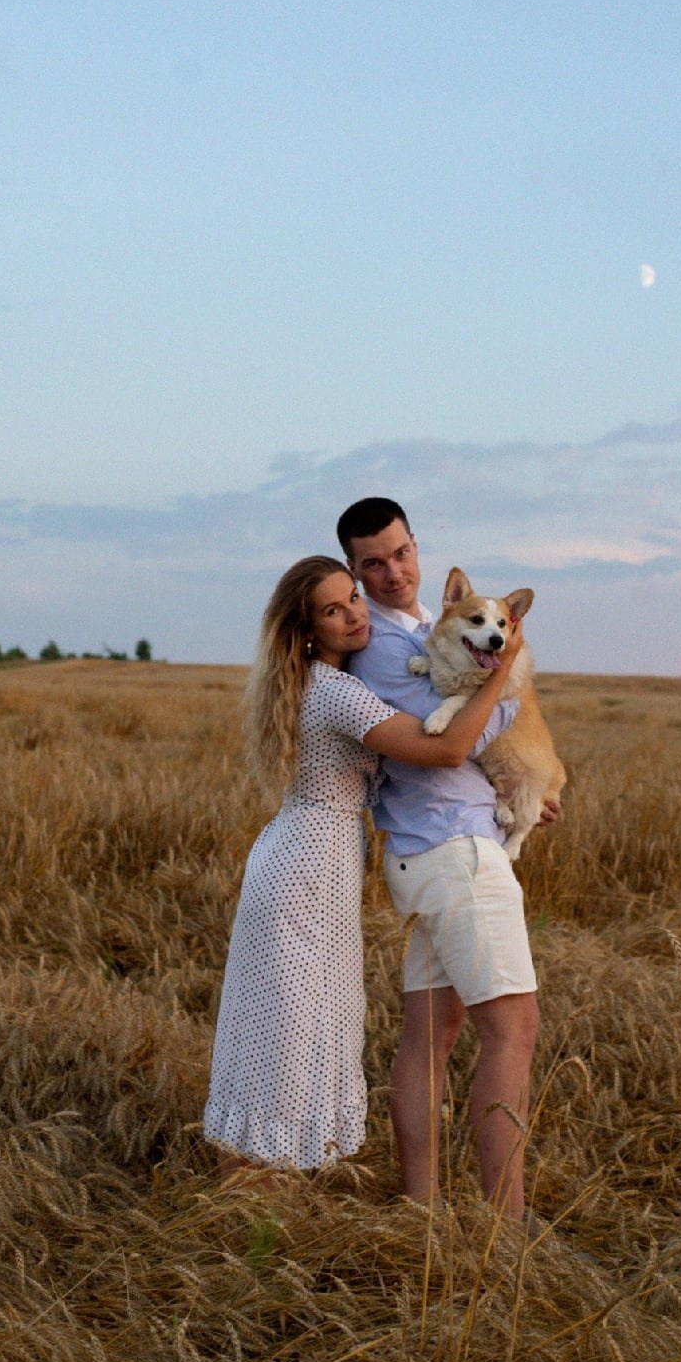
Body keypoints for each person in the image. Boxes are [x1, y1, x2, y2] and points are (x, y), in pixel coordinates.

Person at [203, 554, 525, 1177]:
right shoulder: (339, 695)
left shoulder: (317, 685)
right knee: (293, 1026)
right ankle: (257, 1180)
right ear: (307, 630)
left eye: (353, 598)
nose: (355, 614)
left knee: (283, 1019)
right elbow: (449, 746)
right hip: (308, 867)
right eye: (333, 609)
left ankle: (258, 1172)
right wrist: (502, 668)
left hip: (297, 855)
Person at [337, 498, 558, 1220]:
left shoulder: (423, 624)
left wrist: (525, 782)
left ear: (415, 547)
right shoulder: (379, 650)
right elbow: (451, 740)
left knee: (432, 1034)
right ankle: (509, 1225)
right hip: (453, 852)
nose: (392, 571)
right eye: (373, 562)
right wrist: (507, 665)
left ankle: (421, 1206)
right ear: (354, 569)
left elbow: (483, 745)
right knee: (513, 1030)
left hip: (433, 848)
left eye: (400, 553)